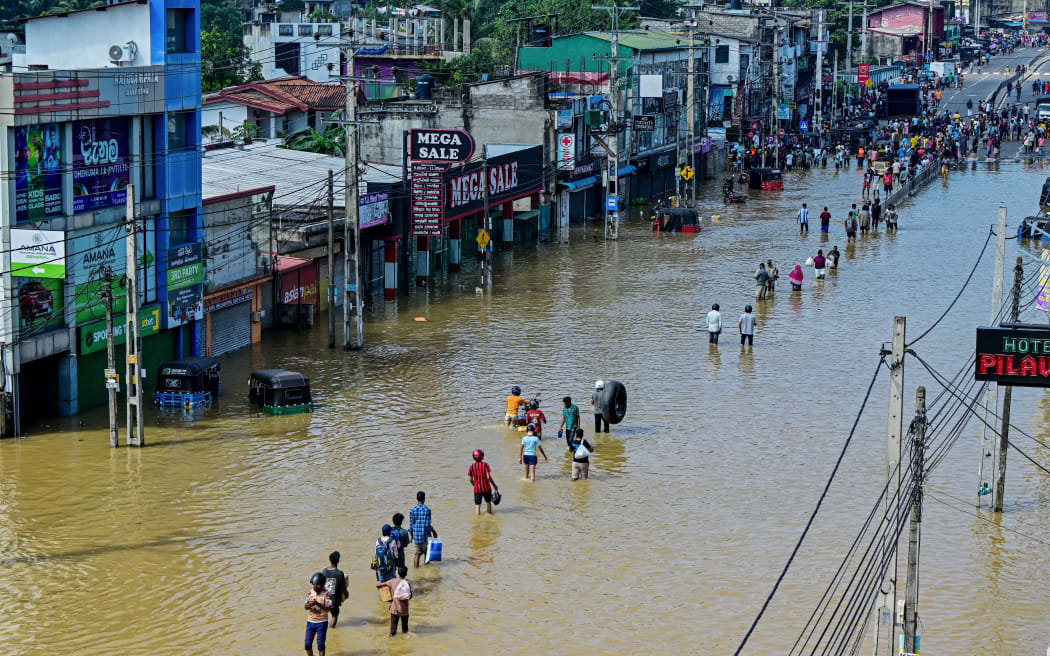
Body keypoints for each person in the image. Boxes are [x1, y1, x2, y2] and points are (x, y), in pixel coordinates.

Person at [377, 566, 412, 637]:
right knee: (405, 630)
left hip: (394, 608)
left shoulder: (392, 581)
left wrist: (387, 598)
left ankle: (391, 643)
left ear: (398, 573)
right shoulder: (407, 583)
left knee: (393, 630)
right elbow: (410, 596)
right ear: (406, 574)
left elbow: (378, 585)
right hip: (404, 610)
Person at [304, 572, 332, 656]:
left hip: (322, 622)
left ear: (322, 584)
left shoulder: (327, 594)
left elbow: (328, 609)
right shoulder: (310, 592)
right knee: (307, 645)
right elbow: (305, 607)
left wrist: (317, 603)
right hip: (310, 622)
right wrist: (310, 605)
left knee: (320, 646)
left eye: (317, 585)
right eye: (314, 584)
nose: (315, 586)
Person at [409, 491, 438, 567]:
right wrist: (433, 532)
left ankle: (416, 569)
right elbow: (427, 525)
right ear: (424, 499)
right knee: (427, 553)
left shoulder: (412, 510)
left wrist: (411, 536)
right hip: (425, 536)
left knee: (417, 554)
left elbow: (411, 525)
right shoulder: (427, 510)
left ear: (416, 499)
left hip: (416, 536)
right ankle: (426, 568)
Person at [322, 552, 349, 628]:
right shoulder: (339, 573)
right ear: (338, 560)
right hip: (334, 601)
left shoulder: (324, 571)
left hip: (325, 598)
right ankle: (332, 631)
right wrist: (346, 594)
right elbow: (343, 587)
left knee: (325, 616)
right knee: (334, 616)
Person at [469, 449, 499, 514]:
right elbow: (488, 477)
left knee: (477, 505)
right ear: (482, 456)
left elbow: (470, 479)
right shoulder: (485, 465)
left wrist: (475, 485)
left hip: (477, 489)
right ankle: (489, 516)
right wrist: (494, 485)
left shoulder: (472, 466)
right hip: (486, 488)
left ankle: (477, 521)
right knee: (488, 502)